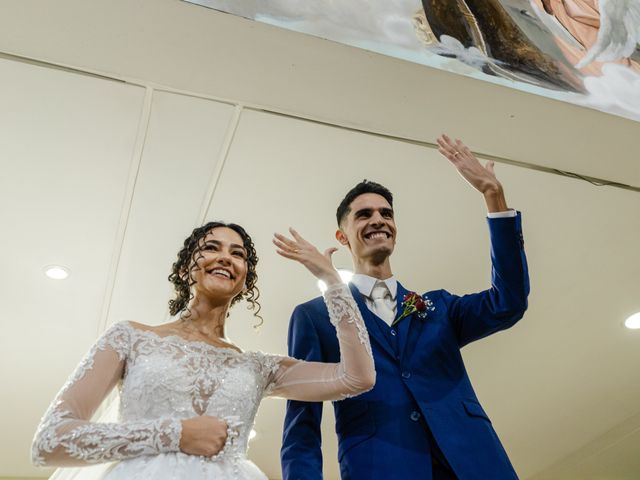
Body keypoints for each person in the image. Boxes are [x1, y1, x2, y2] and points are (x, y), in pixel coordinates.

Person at [31, 221, 375, 480]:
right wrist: (175, 433)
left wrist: (331, 282)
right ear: (185, 269)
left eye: (237, 253)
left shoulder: (259, 368)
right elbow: (50, 439)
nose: (226, 257)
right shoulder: (131, 337)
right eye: (212, 248)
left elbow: (356, 377)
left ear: (244, 281)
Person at [281, 135, 530, 480]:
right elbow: (301, 423)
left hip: (475, 463)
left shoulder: (439, 307)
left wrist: (493, 196)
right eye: (364, 214)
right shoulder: (315, 317)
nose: (378, 219)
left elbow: (509, 302)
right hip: (380, 467)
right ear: (342, 236)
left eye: (386, 213)